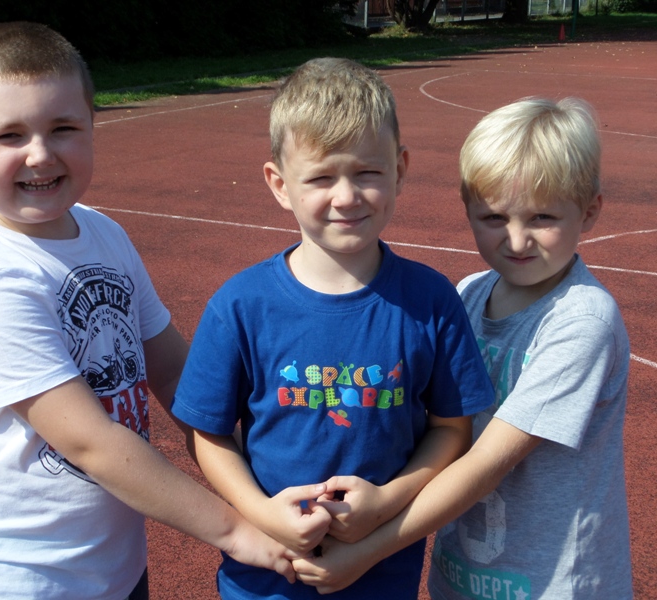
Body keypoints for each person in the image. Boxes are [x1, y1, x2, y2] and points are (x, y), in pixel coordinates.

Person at [0, 21, 305, 600]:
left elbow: (174, 373)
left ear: (92, 125)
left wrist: (258, 478)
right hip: (21, 579)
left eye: (63, 128)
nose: (40, 154)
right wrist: (238, 529)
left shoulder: (102, 233)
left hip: (113, 566)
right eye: (8, 135)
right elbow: (92, 445)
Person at [171, 57, 495, 600]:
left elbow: (451, 429)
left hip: (383, 577)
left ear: (400, 168)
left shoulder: (431, 300)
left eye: (367, 172)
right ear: (279, 184)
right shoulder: (241, 305)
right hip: (265, 581)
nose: (346, 196)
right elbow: (208, 435)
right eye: (321, 177)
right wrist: (263, 514)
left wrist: (388, 502)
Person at [292, 97, 634, 600]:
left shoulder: (582, 321)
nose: (517, 240)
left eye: (542, 217)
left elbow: (486, 462)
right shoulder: (470, 293)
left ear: (590, 211)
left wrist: (368, 547)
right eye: (493, 217)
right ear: (467, 207)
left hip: (553, 582)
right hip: (463, 574)